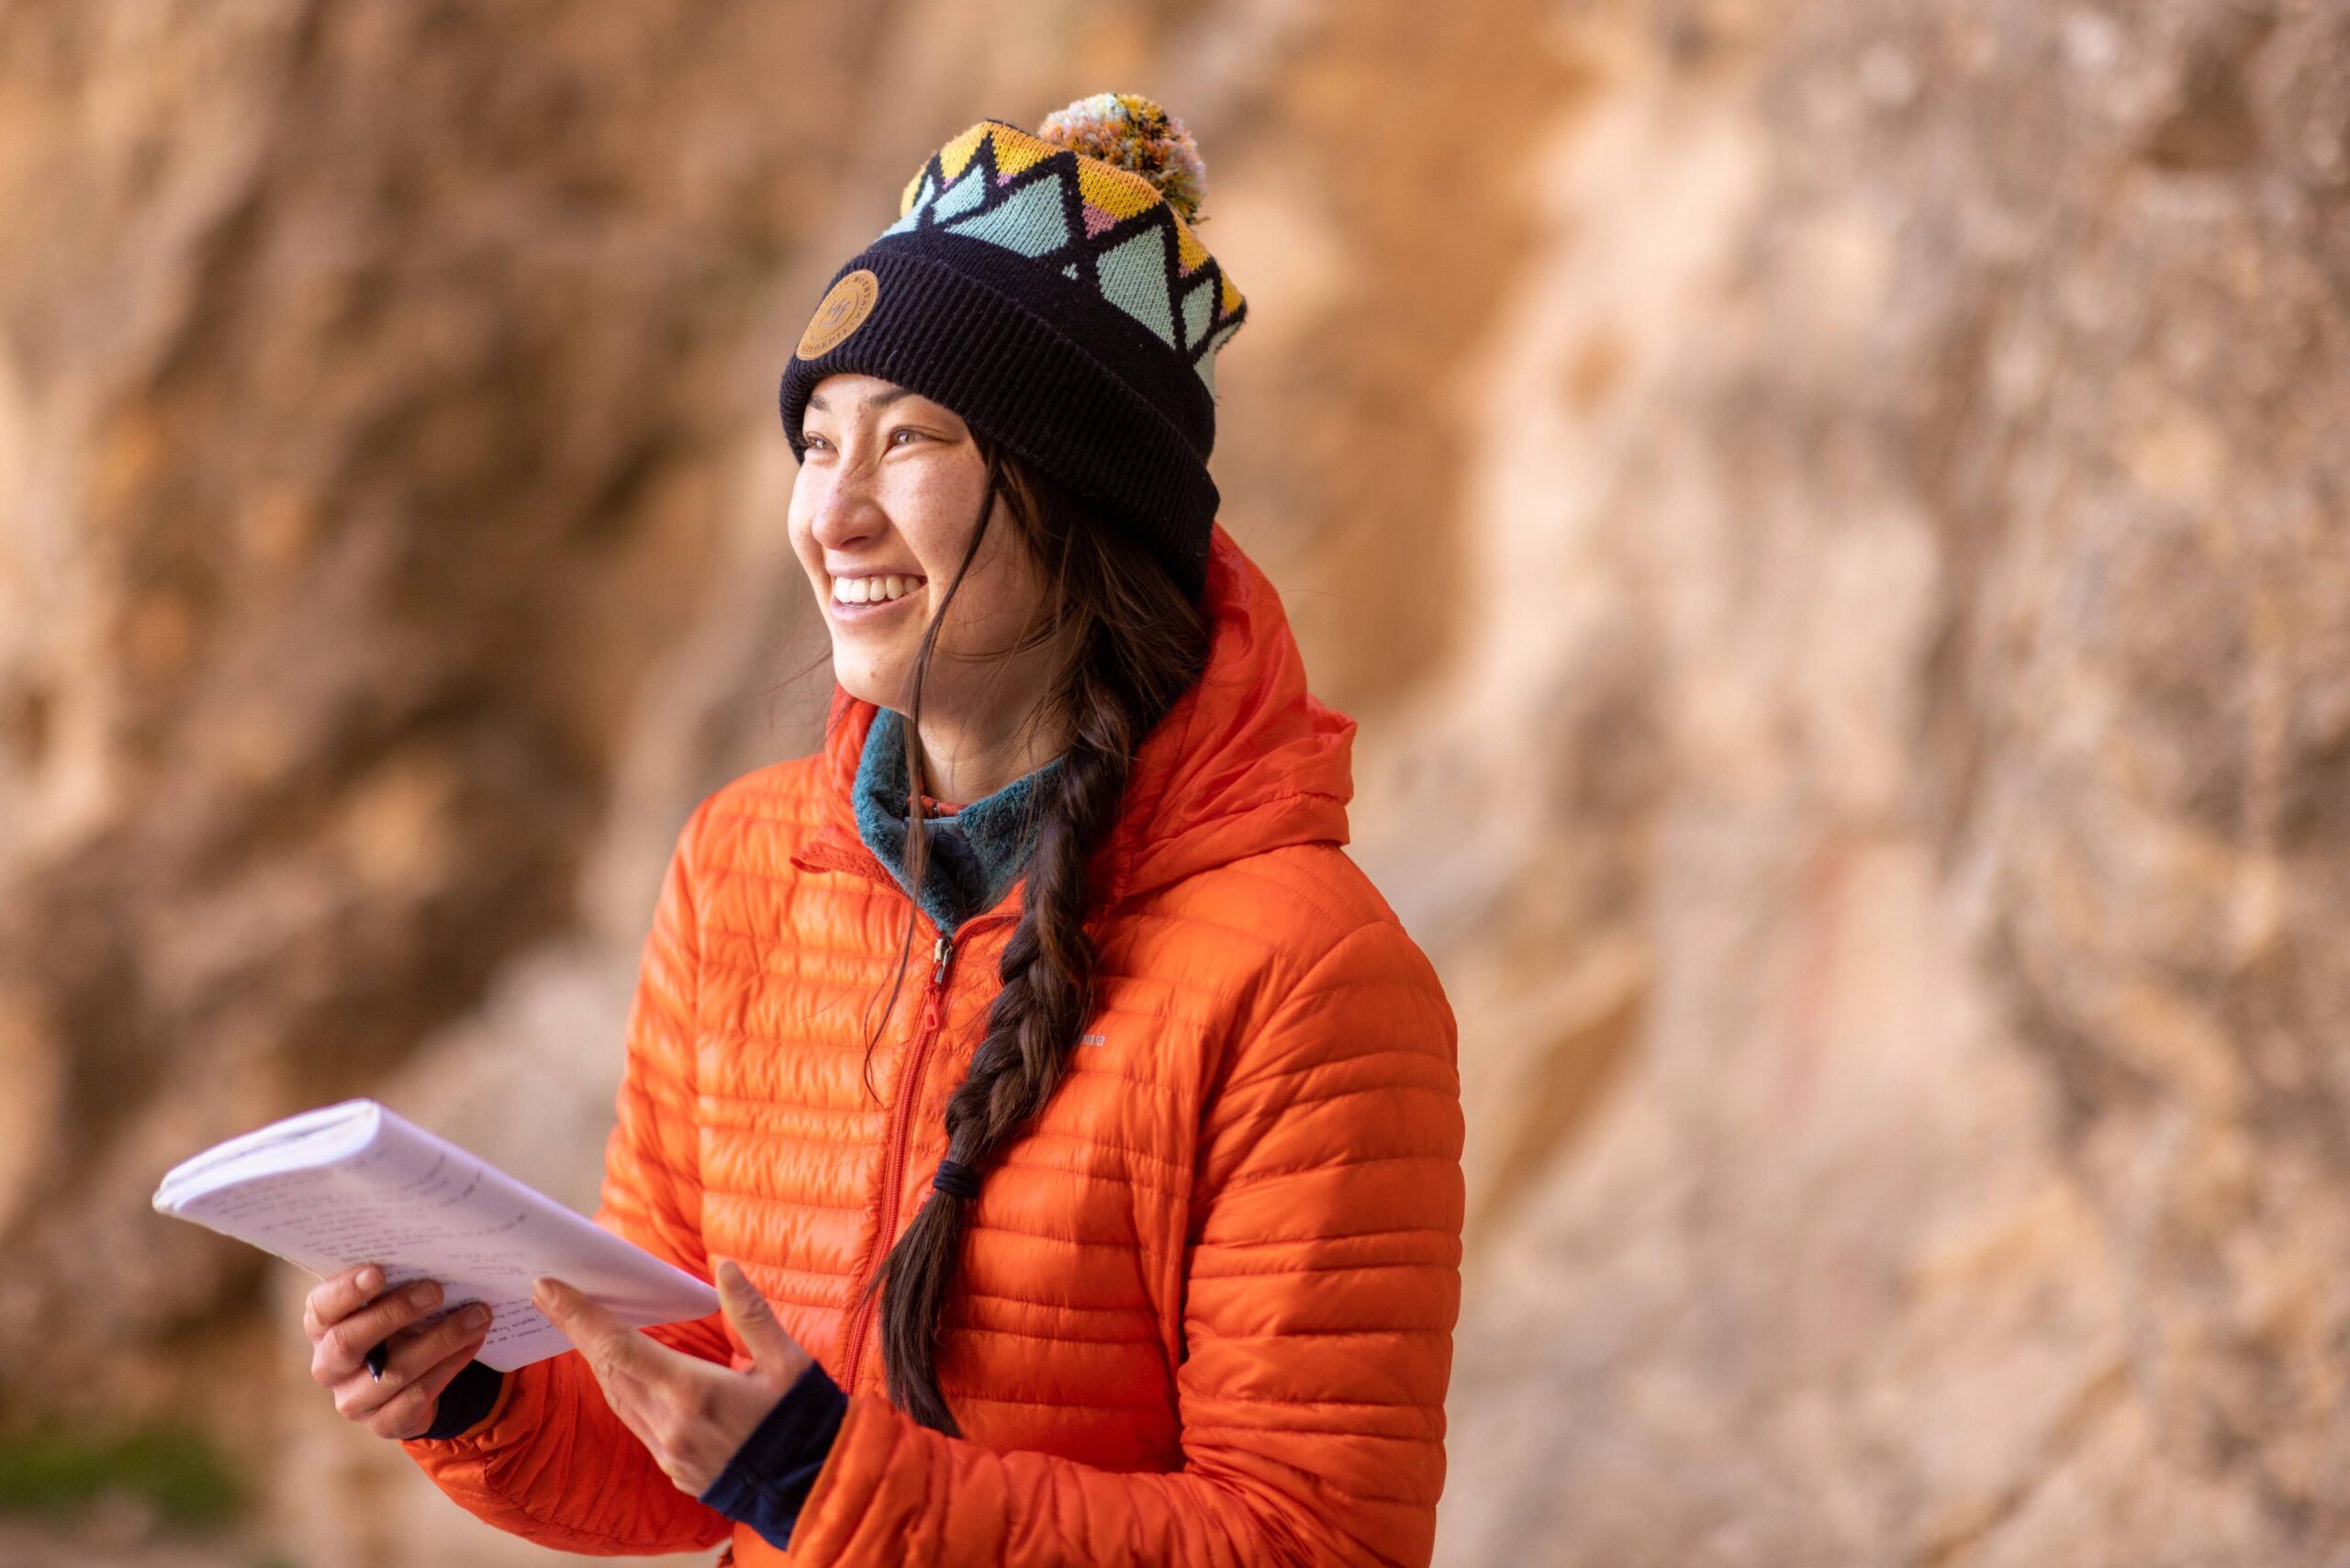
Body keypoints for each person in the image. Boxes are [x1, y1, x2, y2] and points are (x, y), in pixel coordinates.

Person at [298, 92, 1464, 1567]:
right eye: (816, 444)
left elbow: (1313, 1544)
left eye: (909, 440)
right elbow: (684, 1428)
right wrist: (474, 1391)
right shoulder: (740, 868)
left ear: (1082, 498)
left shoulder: (1304, 974)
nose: (831, 516)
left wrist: (825, 1483)